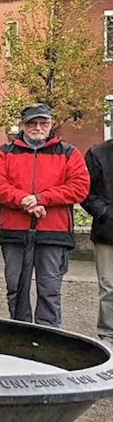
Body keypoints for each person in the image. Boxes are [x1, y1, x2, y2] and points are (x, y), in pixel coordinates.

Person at [0, 103, 89, 326]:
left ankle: (49, 336)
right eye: (32, 123)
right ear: (22, 125)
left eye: (43, 122)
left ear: (51, 124)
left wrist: (41, 198)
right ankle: (19, 333)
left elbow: (80, 187)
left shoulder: (69, 153)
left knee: (50, 289)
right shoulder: (4, 153)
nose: (38, 127)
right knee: (15, 287)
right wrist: (24, 201)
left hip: (54, 232)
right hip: (13, 231)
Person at [83, 132, 113, 344]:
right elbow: (85, 192)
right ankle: (108, 336)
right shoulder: (98, 153)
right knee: (108, 286)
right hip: (107, 232)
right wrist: (105, 213)